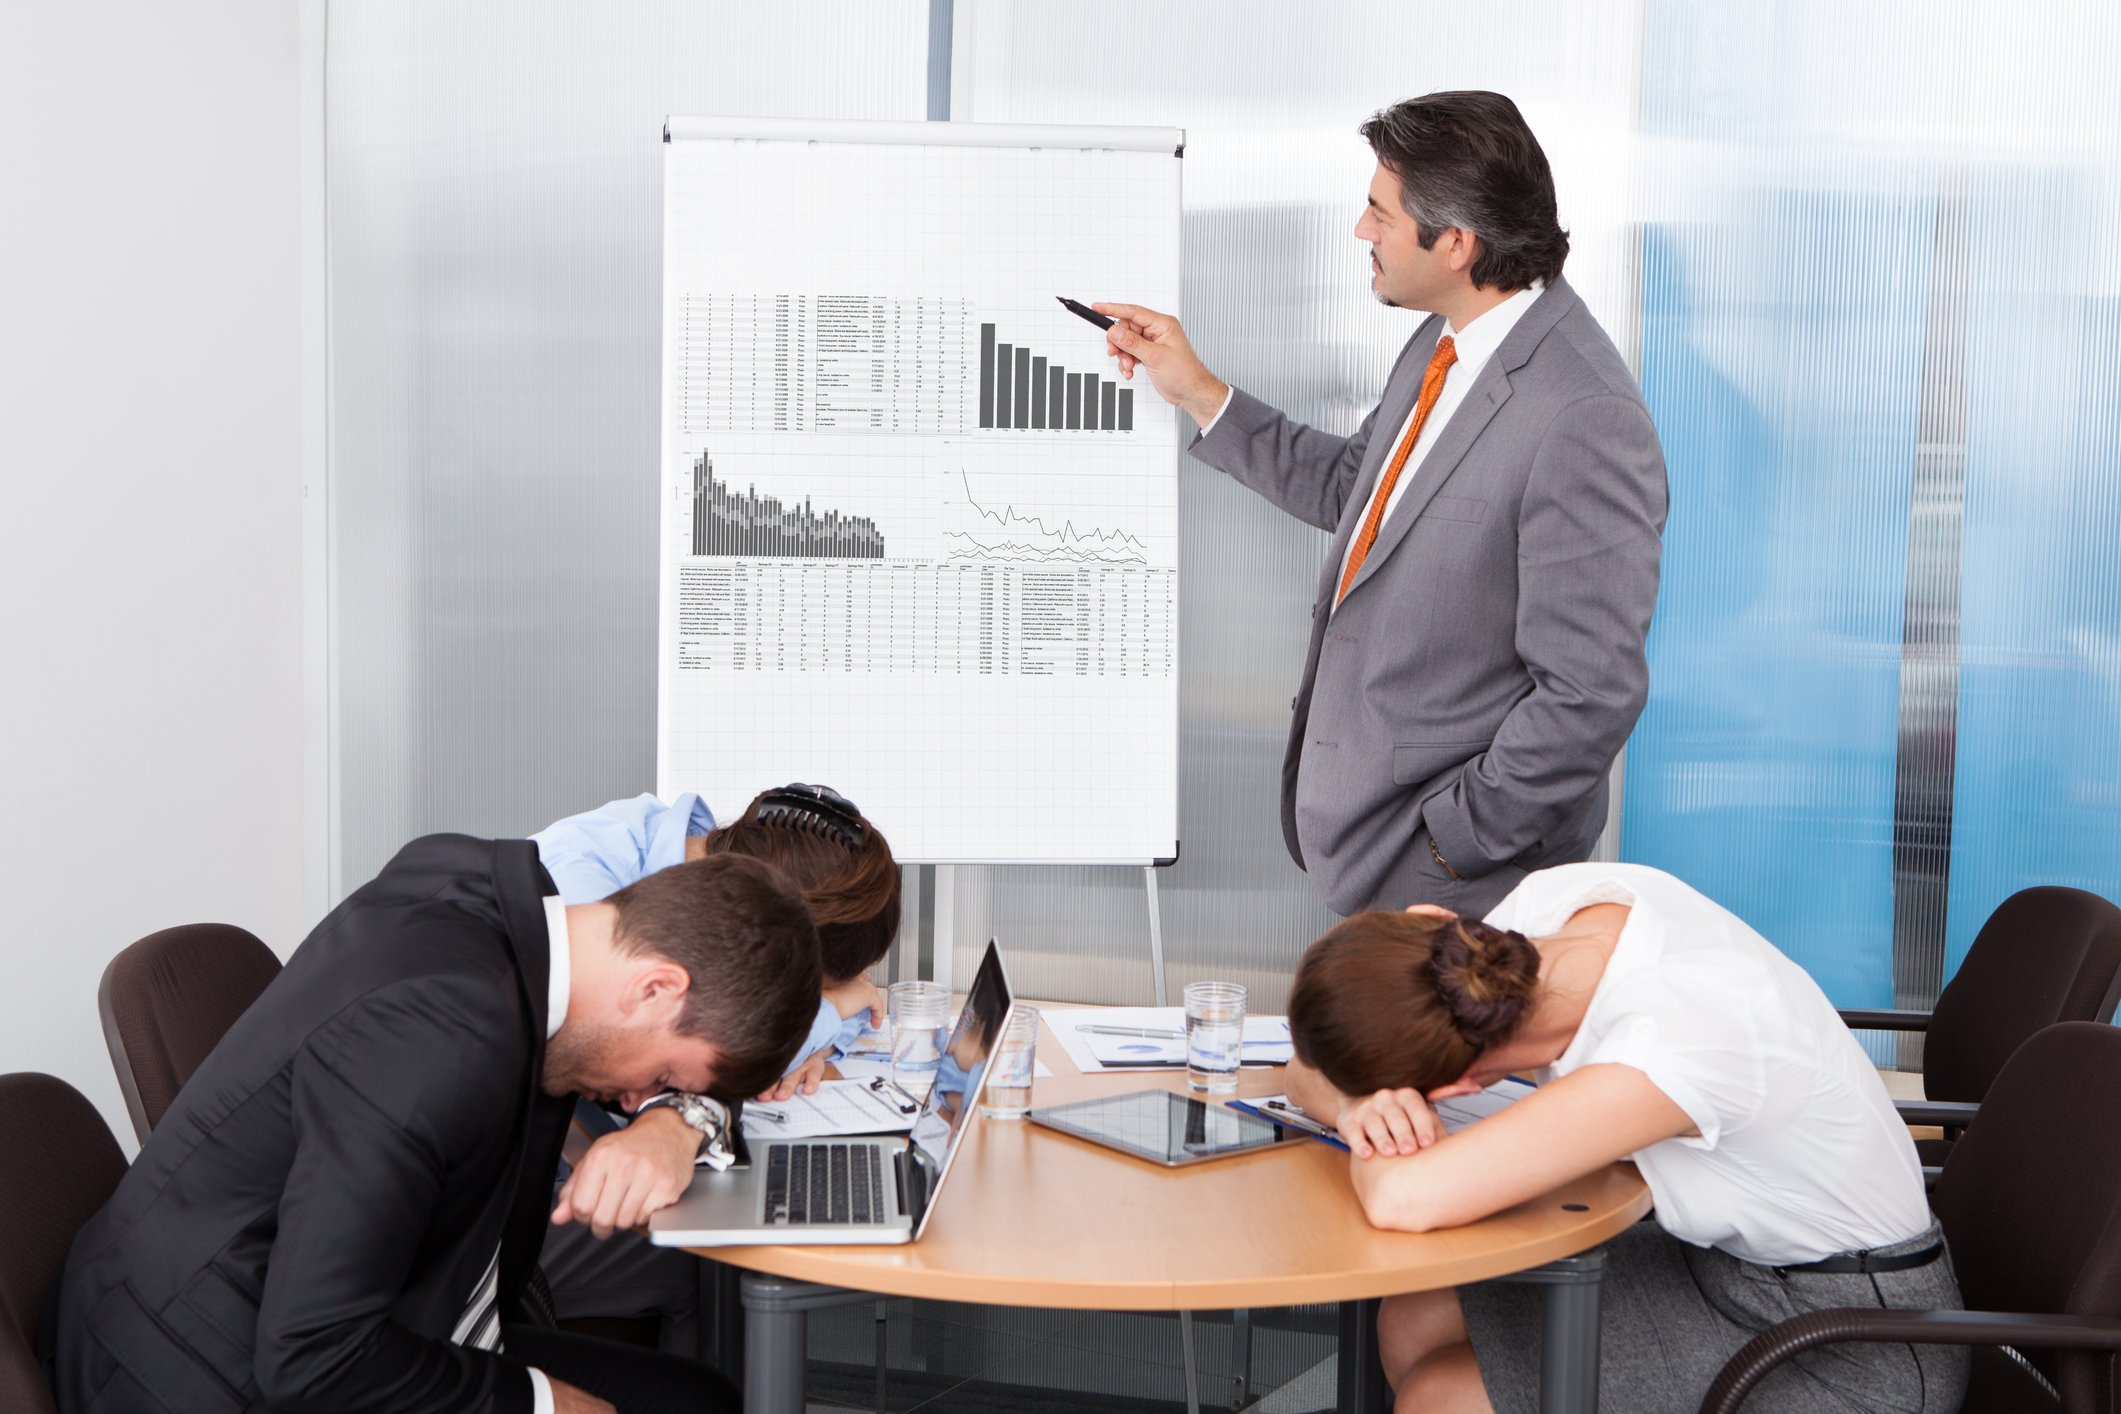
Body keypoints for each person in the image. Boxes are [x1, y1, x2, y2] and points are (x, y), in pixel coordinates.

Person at [1099, 91, 1667, 918]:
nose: (1361, 232)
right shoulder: (1445, 340)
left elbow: (1589, 694)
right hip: (1377, 851)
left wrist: (1454, 840)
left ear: (1456, 245)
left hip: (1456, 882)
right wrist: (1198, 393)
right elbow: (1356, 491)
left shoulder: (1583, 417)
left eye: (1379, 213)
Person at [54, 837, 820, 1414]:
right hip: (209, 1373)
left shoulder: (490, 898)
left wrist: (675, 1119)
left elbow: (696, 1076)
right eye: (660, 1080)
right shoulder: (437, 1032)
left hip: (355, 1312)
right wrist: (541, 1406)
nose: (629, 1103)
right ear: (655, 987)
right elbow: (315, 1360)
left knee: (696, 1400)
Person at [1281, 863, 1966, 1413]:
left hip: (1853, 1343)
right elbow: (1299, 1066)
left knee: (1442, 1401)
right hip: (1725, 1268)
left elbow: (1403, 1199)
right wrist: (1354, 1108)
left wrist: (1365, 1114)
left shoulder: (1670, 1044)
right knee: (1417, 1312)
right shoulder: (1511, 941)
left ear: (1458, 1087)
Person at [530, 783, 900, 1354]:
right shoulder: (586, 888)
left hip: (565, 1145)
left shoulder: (694, 858)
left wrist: (823, 1030)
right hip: (521, 1178)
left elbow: (851, 1003)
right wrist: (827, 1014)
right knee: (699, 1261)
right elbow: (640, 1075)